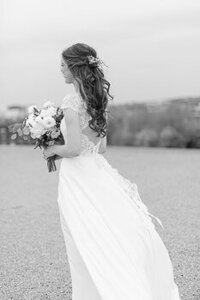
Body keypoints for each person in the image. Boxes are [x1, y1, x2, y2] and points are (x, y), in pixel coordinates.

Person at [43, 43, 181, 300]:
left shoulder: (72, 100)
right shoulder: (99, 99)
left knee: (84, 240)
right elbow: (102, 147)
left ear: (75, 67)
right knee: (106, 234)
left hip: (77, 179)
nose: (60, 70)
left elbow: (72, 149)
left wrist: (52, 149)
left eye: (63, 65)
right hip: (97, 171)